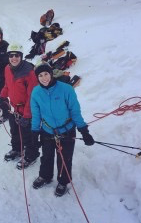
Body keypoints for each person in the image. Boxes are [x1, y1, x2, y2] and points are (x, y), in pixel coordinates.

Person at [30, 62, 95, 196]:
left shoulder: (66, 89)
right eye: (40, 75)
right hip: (47, 130)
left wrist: (84, 131)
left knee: (65, 158)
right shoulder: (36, 92)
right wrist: (34, 134)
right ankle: (45, 176)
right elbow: (36, 115)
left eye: (46, 74)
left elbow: (75, 111)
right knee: (46, 156)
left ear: (51, 73)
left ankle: (63, 181)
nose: (44, 78)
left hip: (66, 130)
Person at [0, 43, 40, 169]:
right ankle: (17, 149)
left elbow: (32, 96)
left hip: (27, 110)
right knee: (15, 131)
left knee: (28, 135)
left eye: (17, 55)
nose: (14, 58)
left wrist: (27, 116)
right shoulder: (7, 68)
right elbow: (7, 84)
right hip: (14, 108)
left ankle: (31, 155)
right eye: (11, 55)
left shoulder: (29, 72)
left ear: (21, 56)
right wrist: (2, 96)